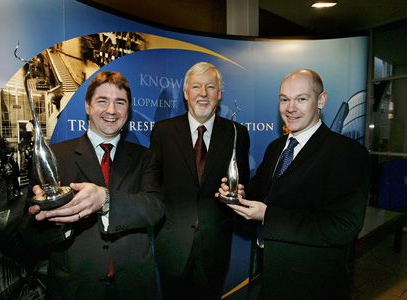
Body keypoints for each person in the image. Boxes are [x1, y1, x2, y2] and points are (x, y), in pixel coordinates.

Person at [218, 69, 370, 299]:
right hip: (267, 277)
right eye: (284, 99)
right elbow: (260, 191)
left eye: (301, 99)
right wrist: (239, 193)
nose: (290, 108)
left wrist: (268, 215)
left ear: (321, 100)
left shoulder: (347, 153)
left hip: (313, 285)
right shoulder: (276, 147)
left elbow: (342, 226)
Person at [22, 72, 164, 299]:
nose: (111, 110)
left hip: (134, 287)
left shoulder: (145, 157)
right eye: (102, 101)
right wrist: (58, 218)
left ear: (127, 111)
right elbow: (29, 232)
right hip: (75, 287)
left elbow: (154, 208)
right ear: (87, 106)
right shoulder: (55, 156)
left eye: (120, 103)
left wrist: (105, 200)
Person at [150, 62, 250, 299]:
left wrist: (241, 192)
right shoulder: (163, 131)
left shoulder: (237, 133)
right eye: (196, 87)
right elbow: (153, 184)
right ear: (186, 94)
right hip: (173, 246)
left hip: (215, 247)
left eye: (210, 87)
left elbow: (244, 183)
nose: (203, 94)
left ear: (219, 94)